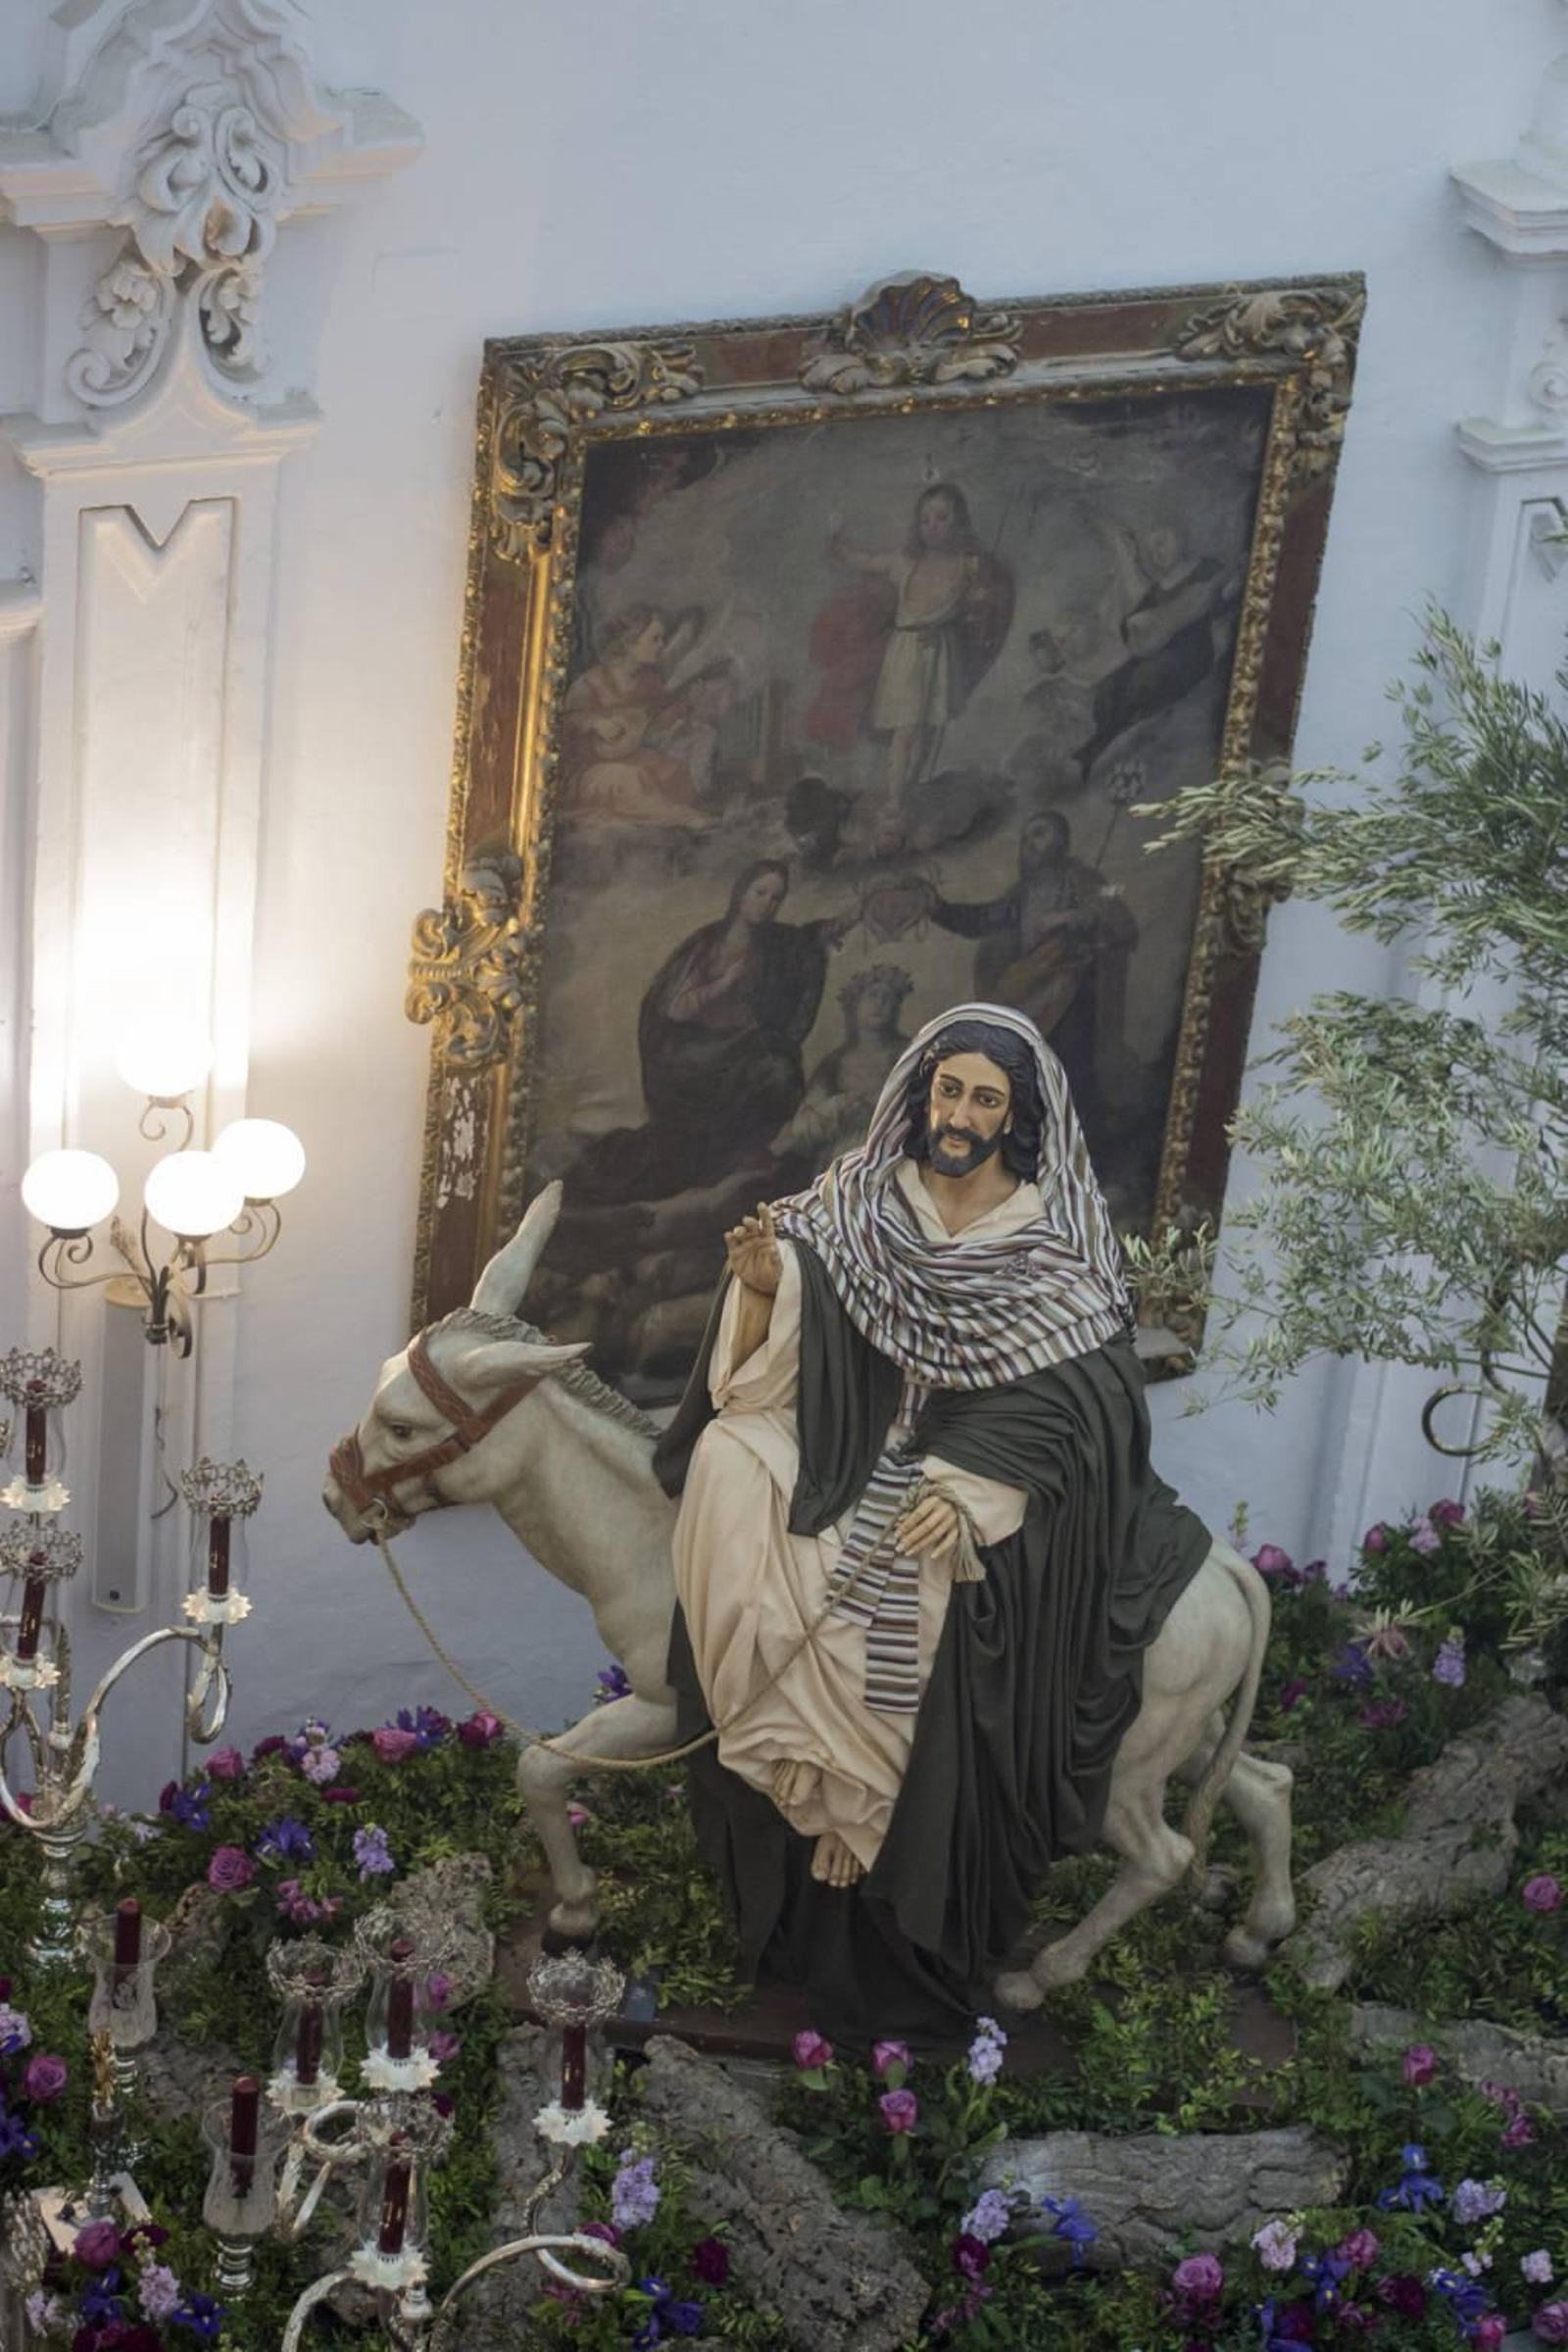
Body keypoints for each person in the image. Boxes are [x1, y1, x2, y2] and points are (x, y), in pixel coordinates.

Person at [655, 1004, 1211, 2038]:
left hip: (963, 1480)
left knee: (908, 1586)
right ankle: (800, 1773)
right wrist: (770, 1288)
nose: (959, 1114)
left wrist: (969, 1495)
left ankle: (858, 1811)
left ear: (1017, 1118)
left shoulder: (1051, 1252)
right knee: (730, 1459)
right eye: (948, 1090)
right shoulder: (854, 1205)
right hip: (844, 1448)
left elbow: (1079, 1406)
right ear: (920, 1094)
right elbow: (778, 1369)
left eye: (984, 1099)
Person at [571, 859, 852, 1207]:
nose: (767, 904)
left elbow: (811, 938)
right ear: (741, 893)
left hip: (742, 1049)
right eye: (760, 892)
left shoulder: (778, 944)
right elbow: (675, 1007)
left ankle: (739, 1157)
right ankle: (701, 1165)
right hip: (692, 1053)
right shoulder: (709, 944)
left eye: (776, 898)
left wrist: (862, 909)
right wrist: (723, 984)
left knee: (779, 1073)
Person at [808, 483, 1014, 809]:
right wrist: (837, 543)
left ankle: (910, 788)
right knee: (905, 730)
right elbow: (865, 559)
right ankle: (893, 800)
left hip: (940, 651)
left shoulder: (969, 564)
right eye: (925, 520)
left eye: (942, 517)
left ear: (959, 520)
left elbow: (988, 595)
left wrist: (980, 599)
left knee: (924, 728)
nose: (932, 526)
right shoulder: (905, 562)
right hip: (906, 653)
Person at [929, 811, 1139, 1133]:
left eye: (1040, 834)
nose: (1030, 845)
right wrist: (938, 908)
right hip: (1030, 990)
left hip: (1071, 991)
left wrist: (1065, 919)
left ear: (1061, 840)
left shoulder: (1079, 878)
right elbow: (984, 919)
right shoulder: (1021, 892)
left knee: (1067, 1067)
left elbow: (1112, 916)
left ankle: (1078, 1138)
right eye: (1026, 838)